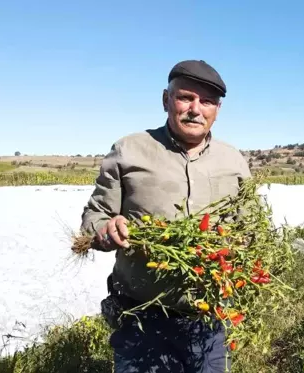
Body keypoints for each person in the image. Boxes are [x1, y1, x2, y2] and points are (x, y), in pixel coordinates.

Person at [80, 59, 251, 373]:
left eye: (207, 101)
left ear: (217, 109)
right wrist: (106, 229)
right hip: (142, 320)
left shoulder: (234, 160)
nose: (196, 109)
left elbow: (248, 228)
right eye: (186, 97)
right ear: (166, 100)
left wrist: (242, 248)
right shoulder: (130, 150)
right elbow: (95, 216)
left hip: (207, 319)